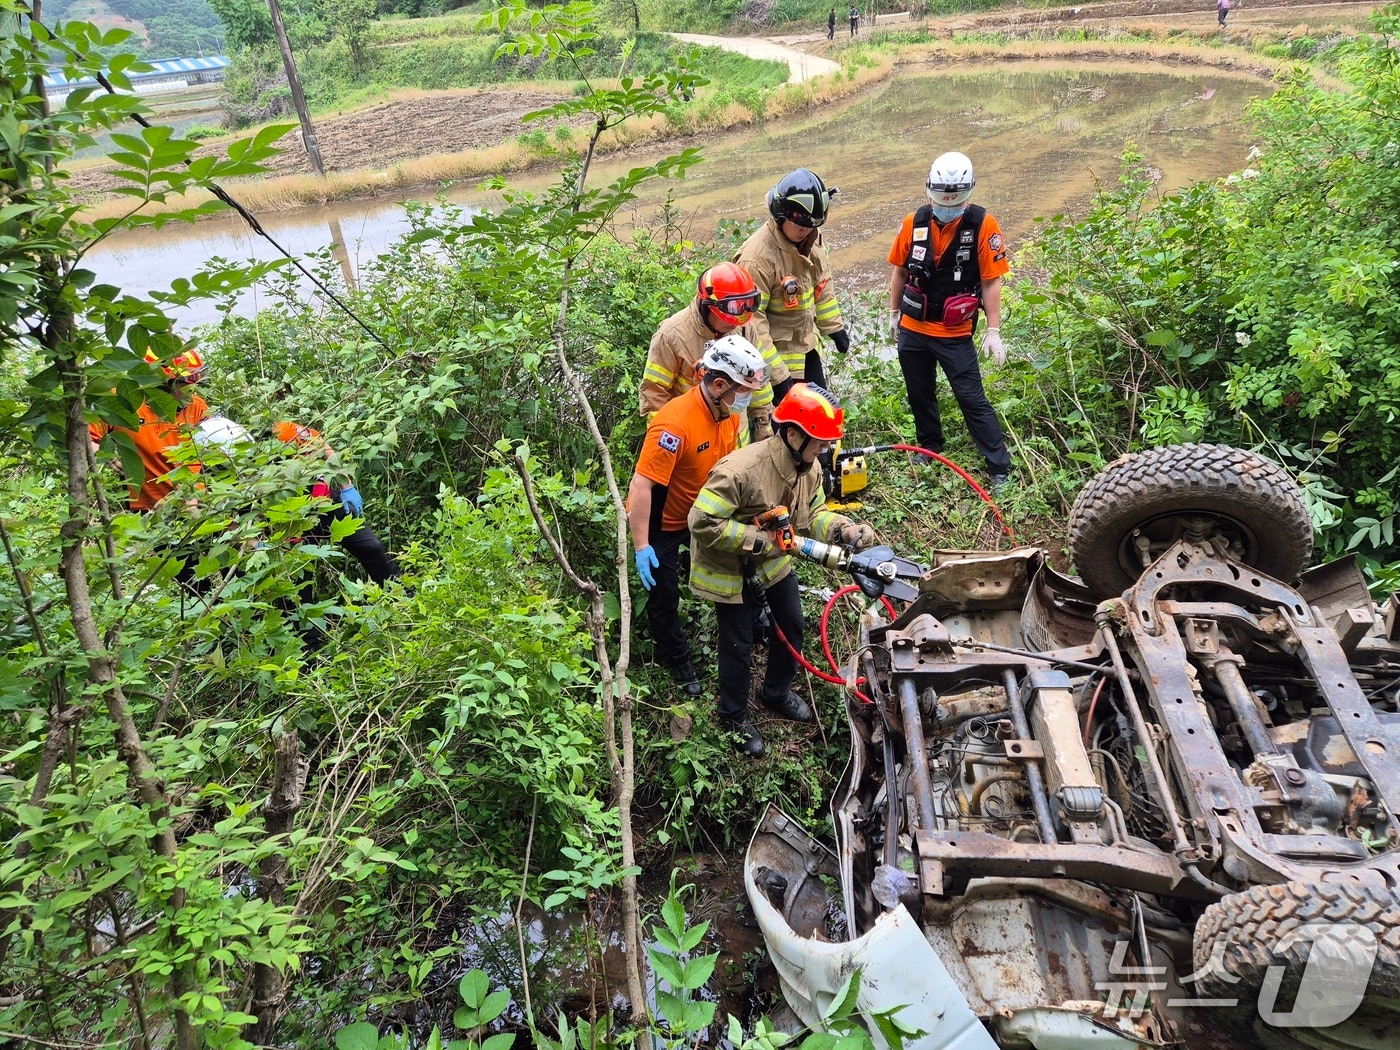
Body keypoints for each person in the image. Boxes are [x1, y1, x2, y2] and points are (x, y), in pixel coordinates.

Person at [688, 383, 876, 756]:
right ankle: (733, 717)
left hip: (772, 563)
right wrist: (760, 540)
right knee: (739, 644)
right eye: (820, 442)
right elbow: (701, 521)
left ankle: (775, 691)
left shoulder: (809, 467)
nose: (825, 450)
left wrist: (843, 530)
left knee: (791, 624)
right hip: (728, 567)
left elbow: (813, 514)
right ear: (793, 435)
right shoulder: (742, 470)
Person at [629, 336, 767, 697]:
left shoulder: (729, 413)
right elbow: (642, 485)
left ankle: (756, 622)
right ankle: (676, 657)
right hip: (666, 518)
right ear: (719, 385)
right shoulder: (674, 424)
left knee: (741, 562)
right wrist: (642, 545)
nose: (747, 398)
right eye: (743, 390)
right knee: (663, 595)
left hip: (707, 510)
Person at [888, 150, 1013, 490]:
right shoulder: (913, 223)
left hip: (954, 332)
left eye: (955, 203)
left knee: (971, 397)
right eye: (941, 201)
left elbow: (990, 281)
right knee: (919, 393)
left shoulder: (983, 225)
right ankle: (929, 446)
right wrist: (893, 313)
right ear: (929, 192)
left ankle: (999, 466)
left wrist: (993, 330)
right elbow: (900, 271)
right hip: (913, 328)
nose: (947, 208)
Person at [641, 262, 792, 442]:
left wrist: (763, 424)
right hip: (695, 440)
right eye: (733, 308)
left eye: (747, 304)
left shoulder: (744, 328)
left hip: (737, 441)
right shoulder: (672, 336)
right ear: (708, 305)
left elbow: (758, 381)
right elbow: (654, 395)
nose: (736, 320)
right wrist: (665, 441)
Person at [735, 169, 849, 392]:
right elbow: (752, 323)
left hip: (807, 349)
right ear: (781, 216)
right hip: (774, 359)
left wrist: (834, 327)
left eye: (811, 226)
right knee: (785, 416)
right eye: (799, 225)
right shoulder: (756, 259)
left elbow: (822, 285)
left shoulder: (811, 239)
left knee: (821, 411)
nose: (805, 231)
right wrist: (777, 376)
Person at [271, 420, 400, 584]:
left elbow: (325, 448)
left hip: (326, 503)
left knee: (371, 547)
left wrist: (346, 486)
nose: (310, 456)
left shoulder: (290, 431)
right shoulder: (270, 458)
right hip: (293, 517)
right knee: (298, 570)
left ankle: (396, 589)